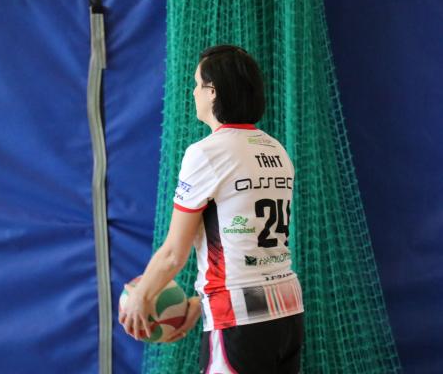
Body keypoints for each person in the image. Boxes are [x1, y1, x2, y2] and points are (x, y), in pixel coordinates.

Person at [119, 44, 304, 374]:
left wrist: (140, 297)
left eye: (196, 84)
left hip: (237, 316)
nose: (193, 92)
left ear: (213, 91)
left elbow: (173, 254)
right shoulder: (276, 149)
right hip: (287, 310)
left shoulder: (207, 152)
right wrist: (196, 303)